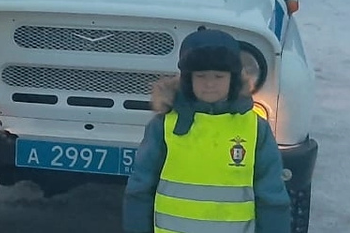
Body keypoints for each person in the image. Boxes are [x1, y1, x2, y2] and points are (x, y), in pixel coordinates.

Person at [124, 29, 292, 233]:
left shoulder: (255, 129)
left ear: (233, 79)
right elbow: (140, 191)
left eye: (219, 76)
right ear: (188, 79)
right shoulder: (163, 127)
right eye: (201, 76)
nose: (210, 84)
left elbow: (272, 198)